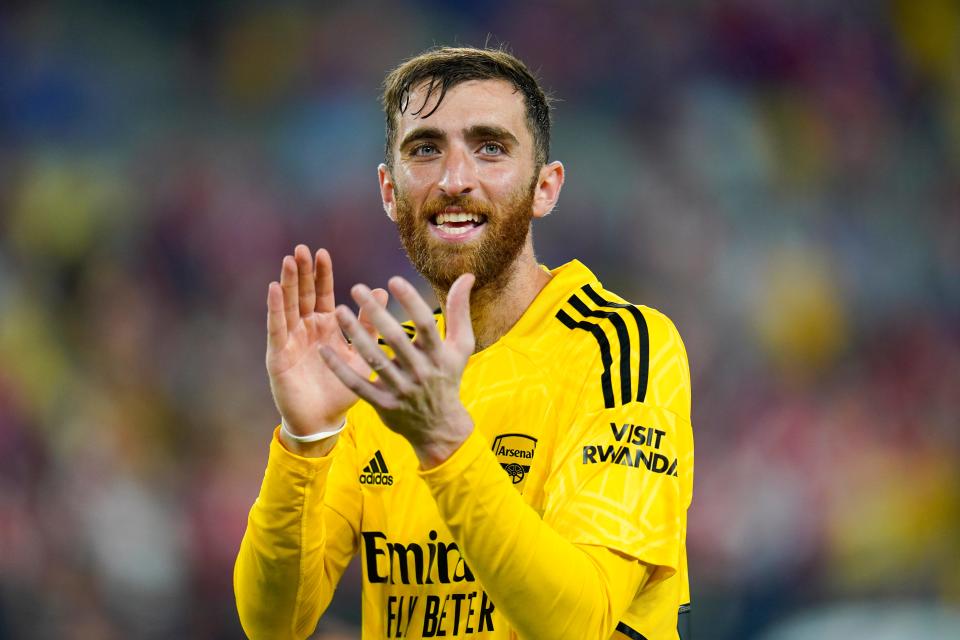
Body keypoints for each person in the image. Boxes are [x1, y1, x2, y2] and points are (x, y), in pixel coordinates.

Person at [234, 46, 693, 640]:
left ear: (544, 188)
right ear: (389, 190)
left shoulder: (622, 348)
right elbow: (273, 625)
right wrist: (306, 440)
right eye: (425, 150)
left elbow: (578, 623)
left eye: (490, 148)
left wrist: (447, 443)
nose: (455, 180)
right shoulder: (383, 372)